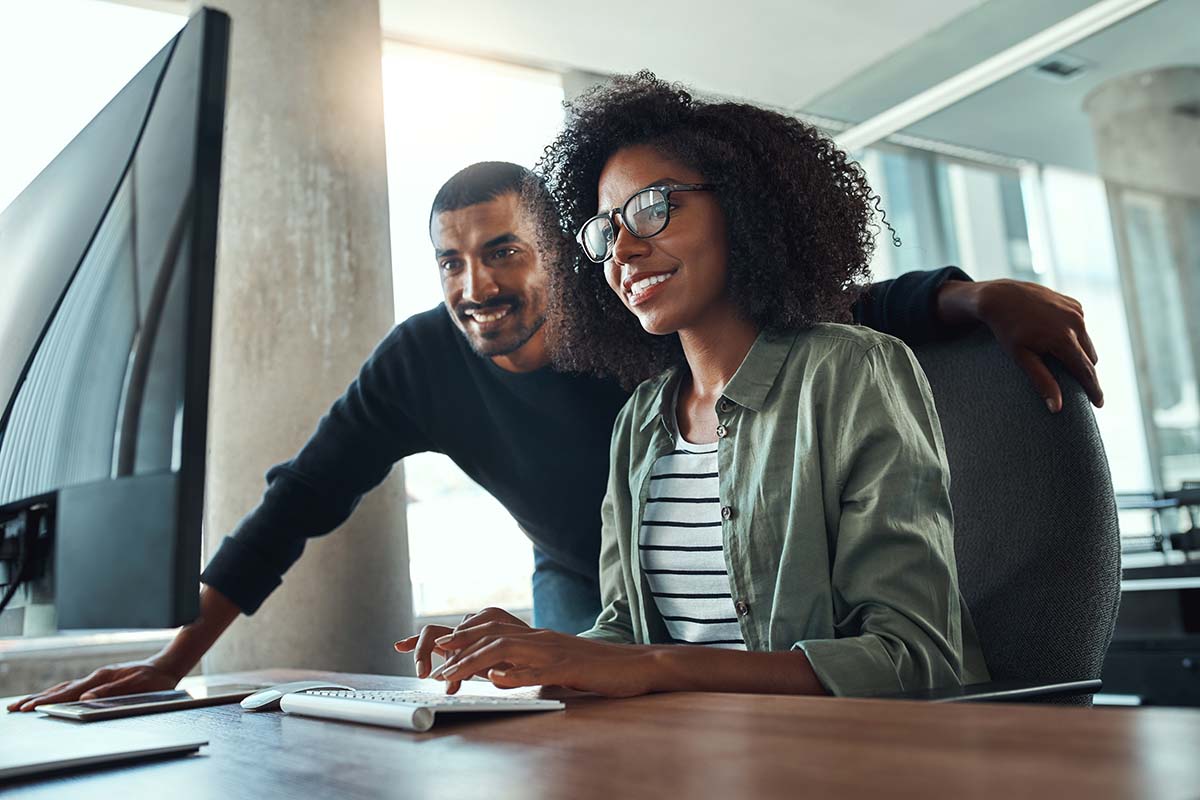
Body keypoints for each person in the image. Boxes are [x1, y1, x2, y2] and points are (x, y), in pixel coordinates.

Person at [10, 146, 1092, 709]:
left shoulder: (631, 313)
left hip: (752, 575)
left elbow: (821, 307)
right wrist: (174, 658)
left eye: (505, 250)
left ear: (557, 255)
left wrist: (970, 295)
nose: (475, 284)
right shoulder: (420, 360)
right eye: (450, 261)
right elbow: (296, 500)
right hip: (596, 580)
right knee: (557, 722)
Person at [396, 73, 990, 697]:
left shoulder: (851, 372)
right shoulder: (640, 420)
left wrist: (659, 667)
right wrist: (532, 654)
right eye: (606, 230)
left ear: (741, 205)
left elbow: (916, 660)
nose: (623, 248)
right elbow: (626, 635)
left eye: (654, 208)